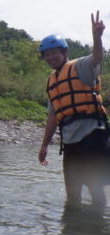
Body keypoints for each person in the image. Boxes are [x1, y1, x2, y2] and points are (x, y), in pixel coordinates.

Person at [38, 12, 109, 208]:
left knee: (96, 189)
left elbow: (97, 56)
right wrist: (44, 146)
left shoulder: (81, 66)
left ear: (64, 52)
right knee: (72, 192)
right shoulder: (51, 81)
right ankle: (72, 230)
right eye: (47, 54)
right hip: (69, 141)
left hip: (92, 135)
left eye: (54, 52)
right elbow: (53, 117)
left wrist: (97, 37)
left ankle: (96, 230)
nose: (50, 57)